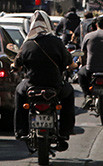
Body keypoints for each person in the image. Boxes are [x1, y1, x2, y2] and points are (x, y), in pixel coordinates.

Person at [13, 10, 77, 151]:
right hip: (55, 87)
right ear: (48, 24)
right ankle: (65, 131)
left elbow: (16, 64)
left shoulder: (27, 44)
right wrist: (72, 66)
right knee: (69, 94)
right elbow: (69, 62)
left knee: (18, 92)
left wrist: (14, 66)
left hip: (31, 86)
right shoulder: (57, 42)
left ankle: (21, 130)